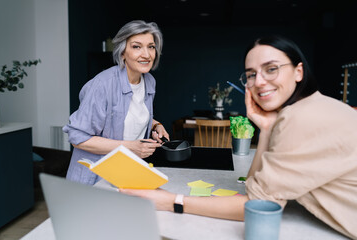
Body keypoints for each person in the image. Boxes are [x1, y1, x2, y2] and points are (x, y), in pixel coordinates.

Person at [121, 35, 357, 239]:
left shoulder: (300, 118)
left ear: (298, 71)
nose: (260, 81)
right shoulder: (313, 107)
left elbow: (254, 204)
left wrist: (171, 201)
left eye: (271, 69)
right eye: (251, 74)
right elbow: (254, 190)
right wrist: (265, 129)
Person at [63, 20, 169, 185]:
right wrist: (131, 147)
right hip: (94, 181)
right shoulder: (103, 84)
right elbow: (78, 137)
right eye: (136, 46)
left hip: (127, 175)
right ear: (122, 53)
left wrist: (156, 125)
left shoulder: (149, 81)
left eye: (151, 46)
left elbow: (129, 114)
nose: (147, 54)